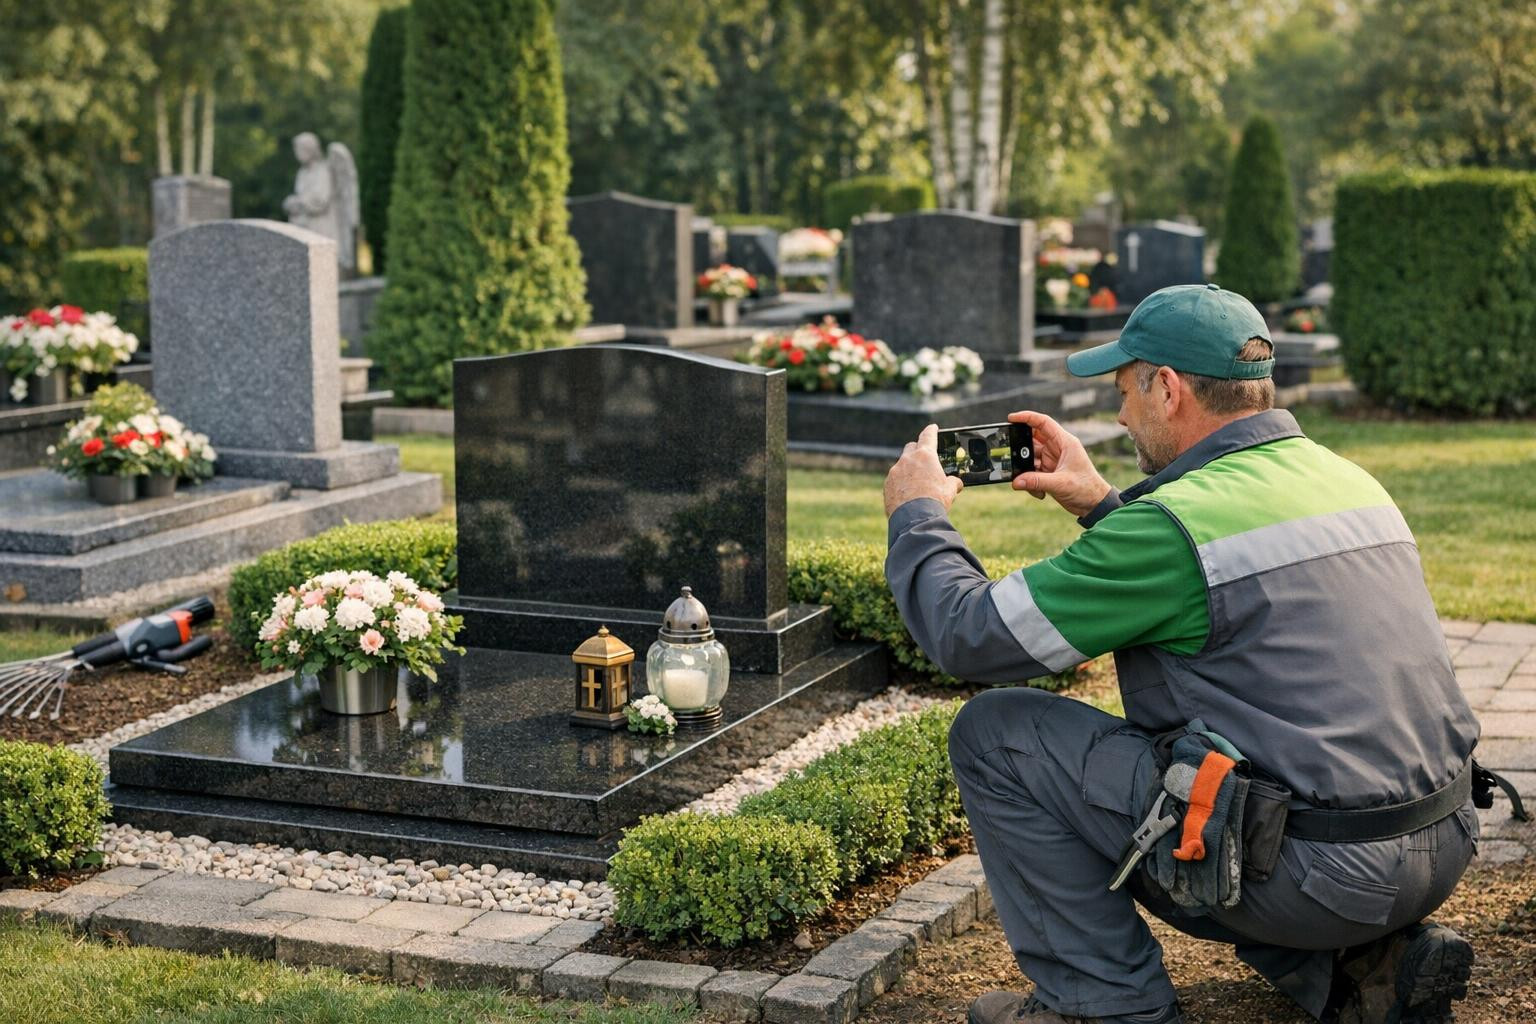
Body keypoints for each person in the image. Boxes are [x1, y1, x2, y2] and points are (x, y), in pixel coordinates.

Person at [882, 284, 1486, 1024]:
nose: (1119, 416)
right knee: (1233, 772)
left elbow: (968, 635)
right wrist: (1100, 504)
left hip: (1322, 878)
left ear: (1167, 389)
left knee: (995, 736)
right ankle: (1367, 970)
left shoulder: (1172, 529)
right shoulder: (1343, 476)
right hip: (1444, 842)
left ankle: (1104, 1007)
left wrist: (918, 514)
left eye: (1123, 392)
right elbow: (1217, 578)